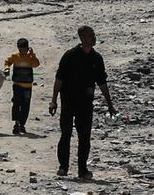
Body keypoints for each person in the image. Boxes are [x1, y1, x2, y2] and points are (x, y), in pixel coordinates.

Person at [49, 25, 115, 179]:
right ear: (83, 38)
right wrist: (53, 101)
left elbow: (102, 82)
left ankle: (82, 170)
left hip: (85, 104)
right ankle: (63, 167)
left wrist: (109, 104)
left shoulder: (96, 58)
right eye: (91, 35)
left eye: (94, 34)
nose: (94, 37)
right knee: (66, 134)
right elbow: (59, 79)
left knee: (84, 137)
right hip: (68, 101)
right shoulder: (70, 56)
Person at [3, 37, 40, 135]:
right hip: (17, 84)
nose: (22, 52)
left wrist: (32, 55)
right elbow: (8, 62)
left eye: (24, 50)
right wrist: (7, 68)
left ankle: (22, 124)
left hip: (27, 85)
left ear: (28, 48)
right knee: (16, 103)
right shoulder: (15, 56)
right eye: (20, 50)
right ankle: (16, 122)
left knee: (25, 105)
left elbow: (36, 64)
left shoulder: (30, 57)